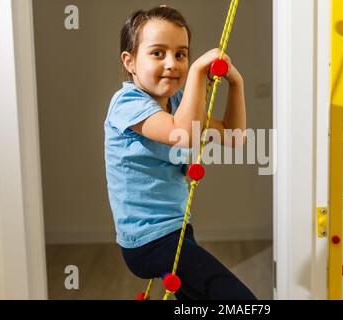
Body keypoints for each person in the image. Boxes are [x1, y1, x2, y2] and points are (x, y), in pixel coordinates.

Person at [104, 6, 255, 300]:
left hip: (178, 231)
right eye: (158, 53)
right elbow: (183, 134)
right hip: (149, 242)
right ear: (130, 61)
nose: (172, 63)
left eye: (181, 54)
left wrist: (236, 84)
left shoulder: (175, 102)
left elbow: (234, 137)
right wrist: (198, 70)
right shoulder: (126, 104)